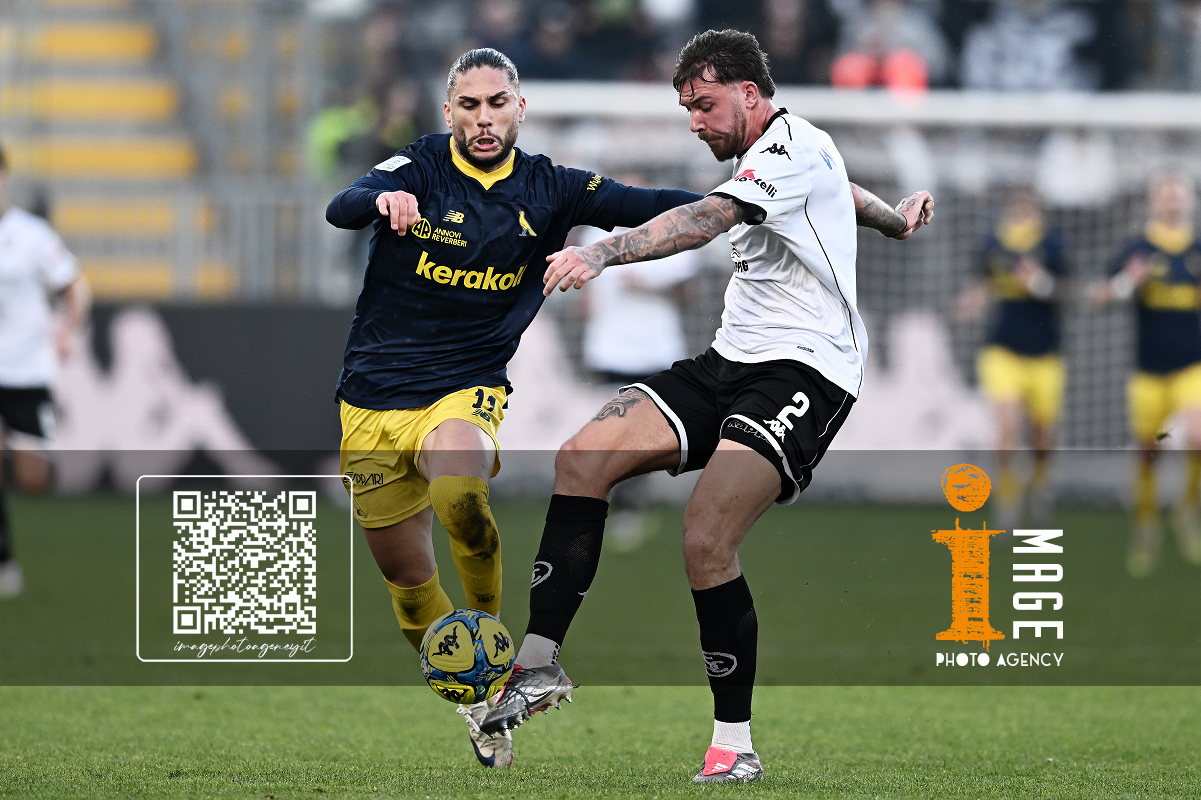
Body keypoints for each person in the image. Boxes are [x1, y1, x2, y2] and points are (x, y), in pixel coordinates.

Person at [479, 29, 934, 783]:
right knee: (581, 459)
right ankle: (537, 664)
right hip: (728, 361)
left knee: (705, 538)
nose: (694, 122)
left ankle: (734, 744)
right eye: (687, 108)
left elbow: (706, 221)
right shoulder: (793, 153)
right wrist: (893, 219)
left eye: (705, 105)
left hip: (807, 371)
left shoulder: (790, 147)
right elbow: (842, 190)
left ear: (750, 94)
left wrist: (601, 250)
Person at [324, 48, 706, 769]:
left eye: (497, 103)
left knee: (460, 494)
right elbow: (342, 204)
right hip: (371, 399)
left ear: (519, 108)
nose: (483, 118)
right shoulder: (419, 167)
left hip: (464, 386)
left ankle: (498, 655)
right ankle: (476, 701)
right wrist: (380, 201)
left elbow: (647, 201)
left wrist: (745, 198)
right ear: (449, 112)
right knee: (408, 582)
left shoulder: (552, 188)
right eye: (469, 105)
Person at [1094, 174, 1201, 577]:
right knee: (1149, 455)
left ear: (1188, 202)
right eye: (1165, 195)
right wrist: (1128, 282)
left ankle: (1186, 511)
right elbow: (1100, 296)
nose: (1172, 202)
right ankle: (1146, 525)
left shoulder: (1196, 249)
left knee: (1198, 439)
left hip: (1191, 366)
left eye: (1178, 195)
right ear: (1153, 202)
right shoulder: (1137, 248)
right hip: (1148, 371)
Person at [0, 146, 90, 598]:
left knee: (34, 480)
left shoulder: (31, 235)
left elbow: (75, 286)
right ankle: (4, 559)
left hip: (28, 370)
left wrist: (67, 329)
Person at [956, 187, 1067, 528]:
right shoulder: (993, 244)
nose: (1020, 210)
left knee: (1042, 435)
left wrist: (1038, 283)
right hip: (1002, 349)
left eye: (1026, 204)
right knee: (1005, 427)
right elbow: (981, 283)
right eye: (1016, 204)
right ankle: (1007, 499)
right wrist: (972, 301)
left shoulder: (1053, 245)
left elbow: (1068, 292)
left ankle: (1040, 488)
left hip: (1045, 353)